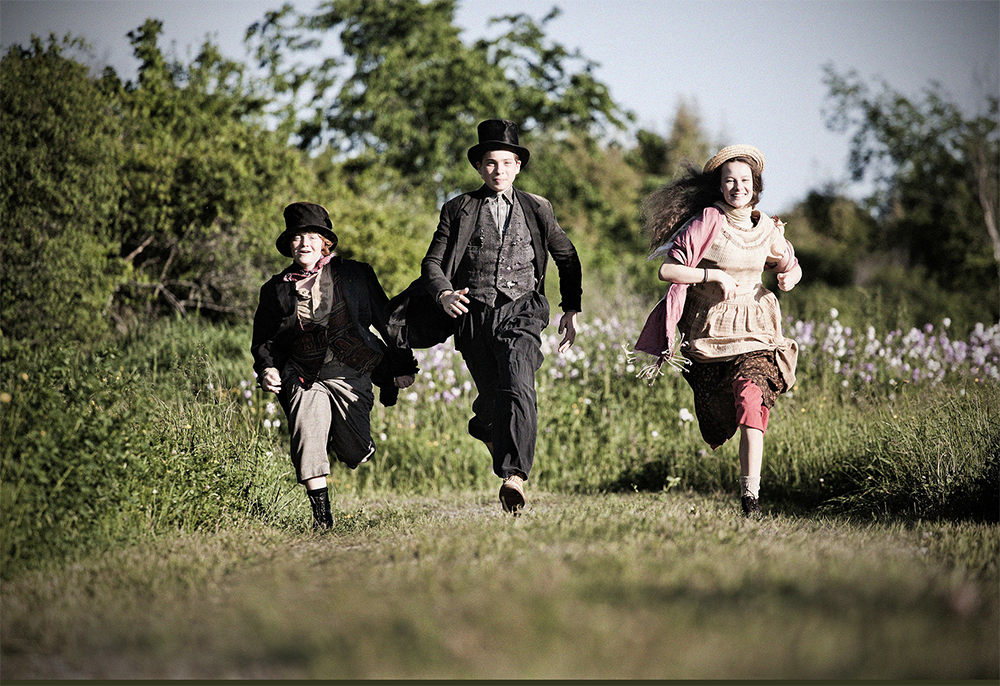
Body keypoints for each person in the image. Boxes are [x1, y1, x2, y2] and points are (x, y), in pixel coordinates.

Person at [387, 119, 582, 514]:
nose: (499, 171)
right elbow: (432, 263)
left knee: (519, 385)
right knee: (494, 398)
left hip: (522, 310)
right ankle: (484, 426)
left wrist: (571, 308)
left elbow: (567, 256)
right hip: (472, 314)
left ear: (518, 166)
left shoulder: (538, 207)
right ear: (480, 167)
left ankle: (515, 477)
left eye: (506, 163)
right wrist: (443, 293)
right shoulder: (458, 208)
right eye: (491, 163)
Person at [634, 145, 802, 517]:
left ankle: (750, 496)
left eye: (744, 181)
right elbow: (668, 270)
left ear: (755, 186)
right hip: (710, 335)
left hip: (757, 331)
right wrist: (711, 275)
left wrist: (789, 276)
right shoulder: (709, 221)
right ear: (720, 187)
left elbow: (791, 263)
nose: (737, 187)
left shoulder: (768, 229)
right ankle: (745, 484)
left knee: (752, 400)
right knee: (718, 414)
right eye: (730, 181)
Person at [251, 201, 418, 530]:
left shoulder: (354, 274)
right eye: (297, 237)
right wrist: (267, 368)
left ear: (324, 242)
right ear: (289, 245)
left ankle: (350, 441)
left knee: (353, 450)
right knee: (307, 437)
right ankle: (322, 522)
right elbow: (264, 341)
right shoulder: (275, 290)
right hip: (303, 375)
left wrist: (401, 364)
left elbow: (387, 320)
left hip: (351, 372)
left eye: (312, 236)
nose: (304, 244)